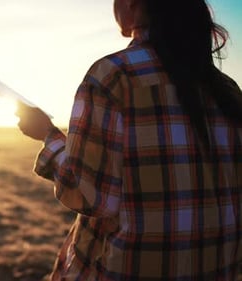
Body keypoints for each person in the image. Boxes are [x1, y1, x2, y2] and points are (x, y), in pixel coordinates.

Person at [15, 0, 242, 280]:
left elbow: (91, 196)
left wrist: (48, 135)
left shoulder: (112, 76)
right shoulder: (228, 90)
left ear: (132, 5)